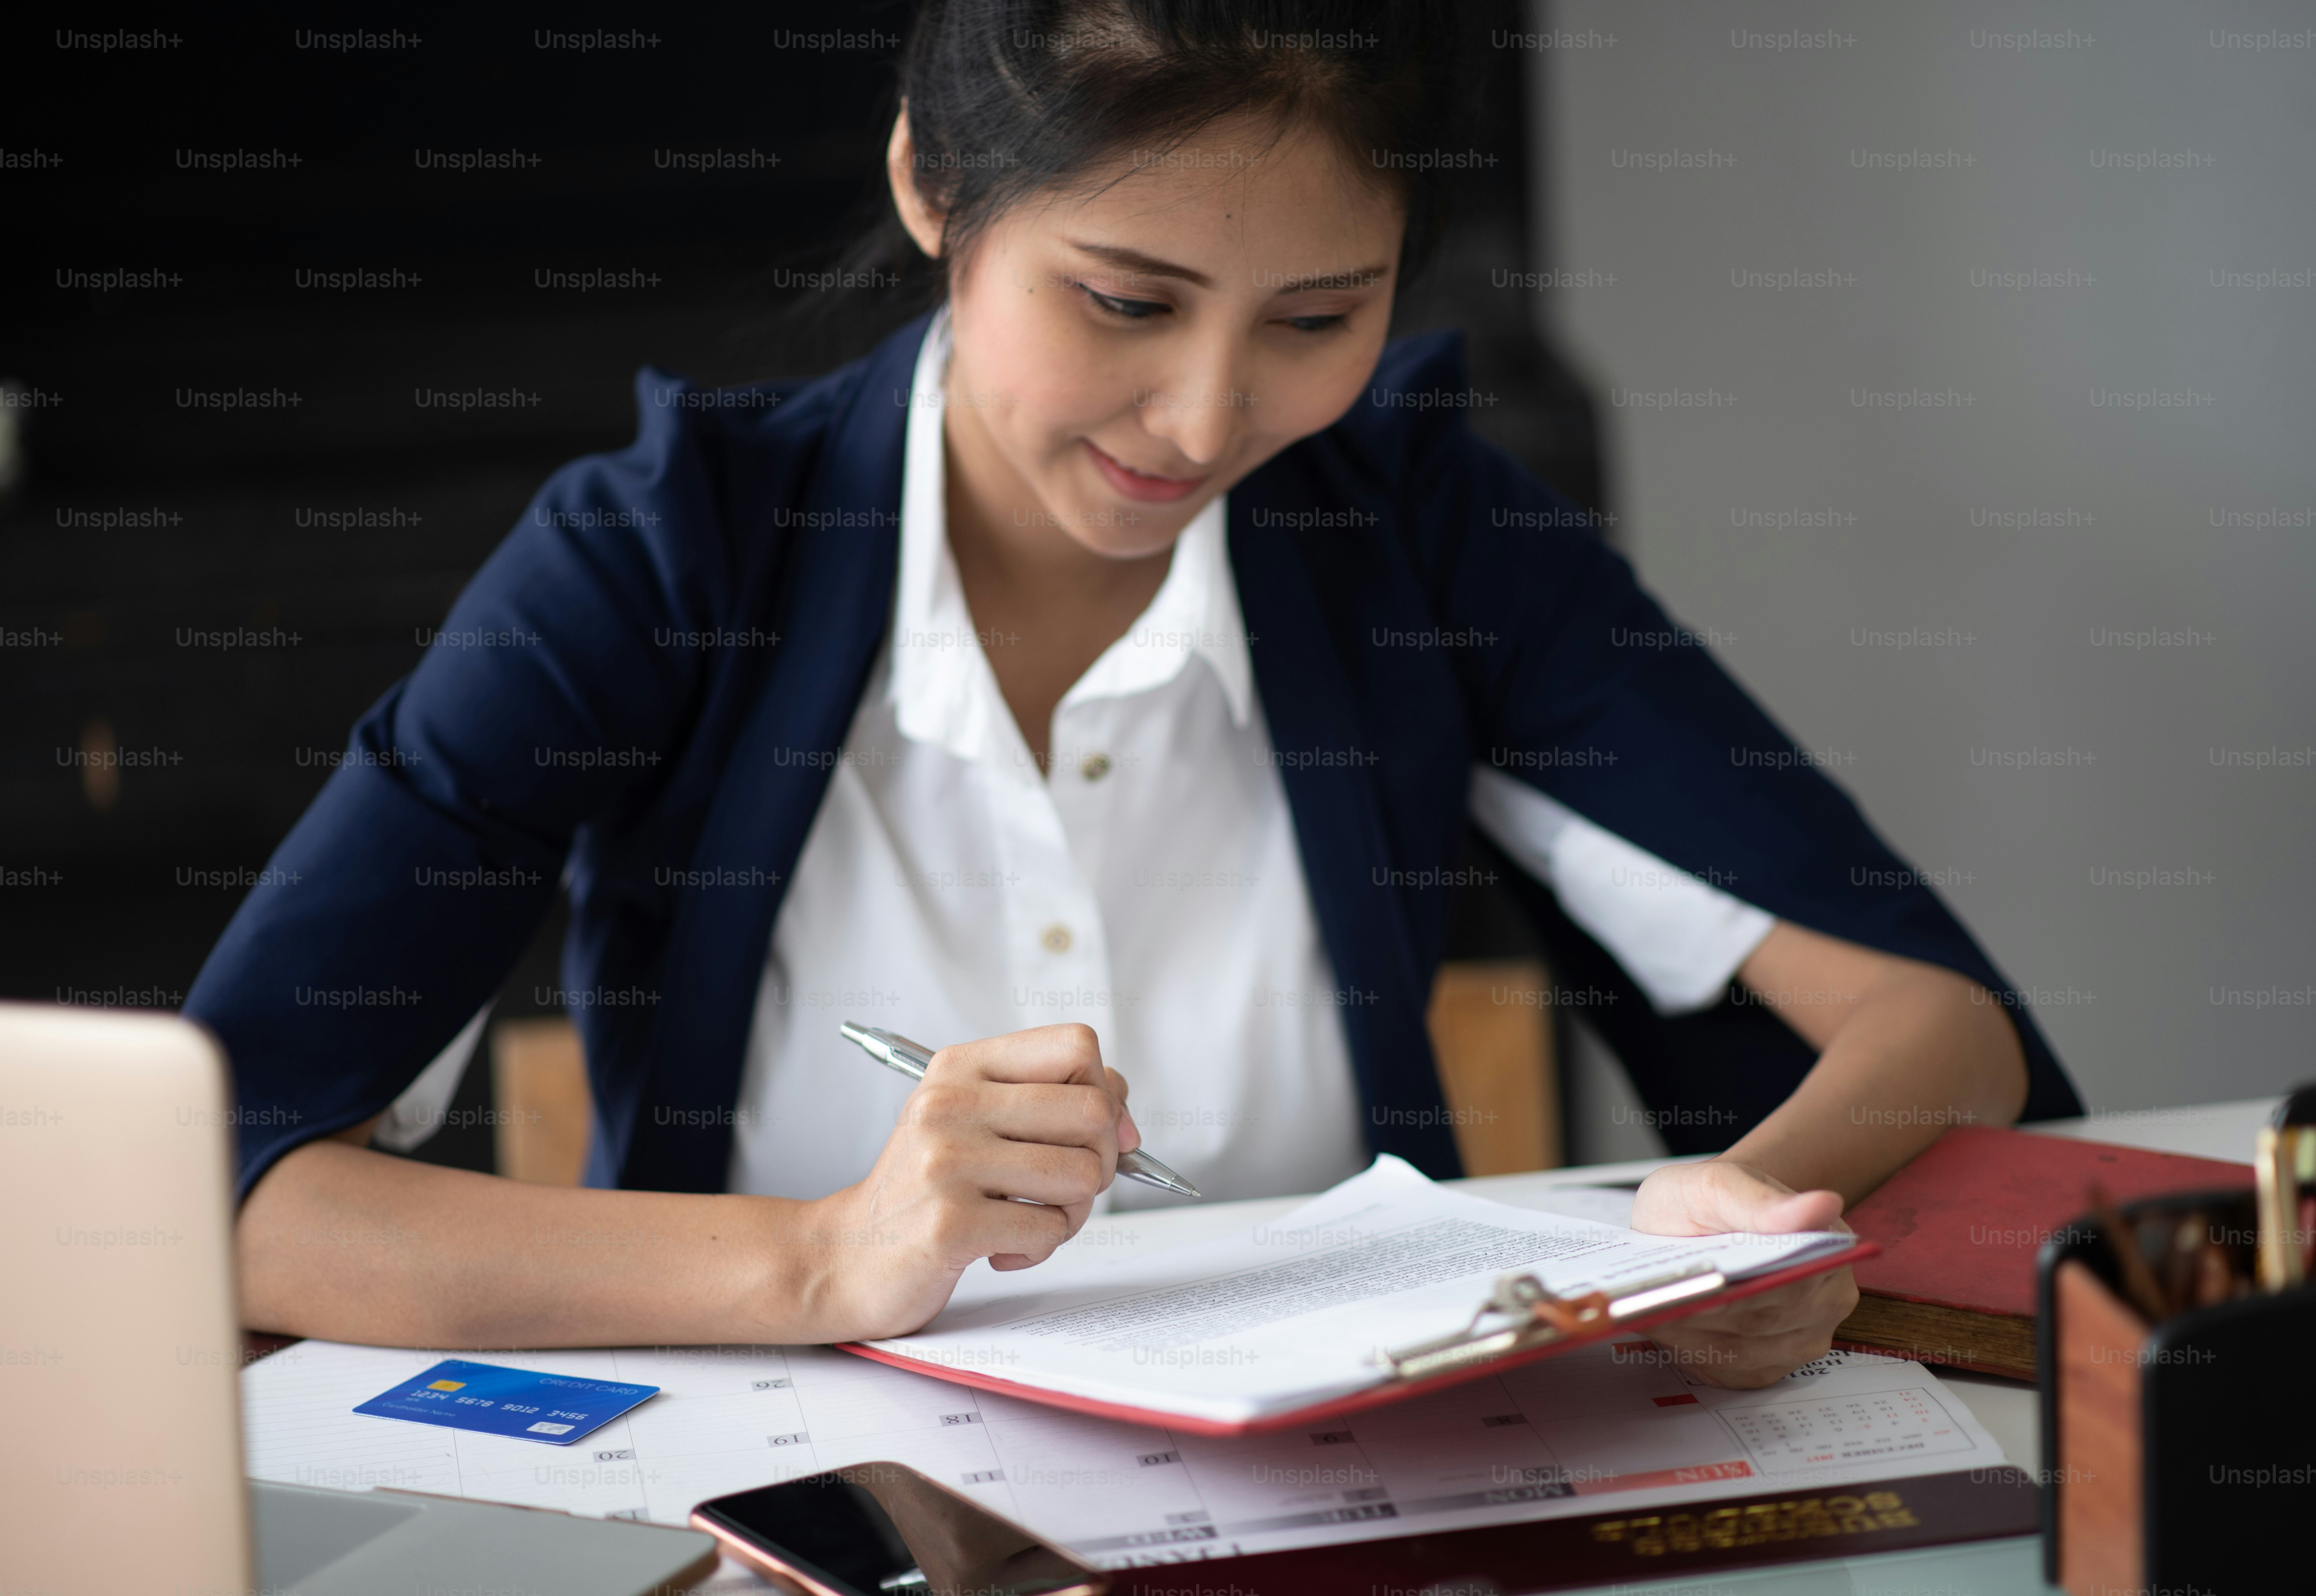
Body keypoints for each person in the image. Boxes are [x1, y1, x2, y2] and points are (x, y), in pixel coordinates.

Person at [192, 0, 2080, 1387]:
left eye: (1317, 319)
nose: (1202, 421)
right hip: (797, 1500)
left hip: (1354, 1492)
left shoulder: (1412, 523)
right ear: (933, 186)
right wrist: (828, 1254)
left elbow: (1928, 1020)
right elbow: (229, 1185)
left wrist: (1734, 1216)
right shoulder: (662, 556)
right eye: (1121, 300)